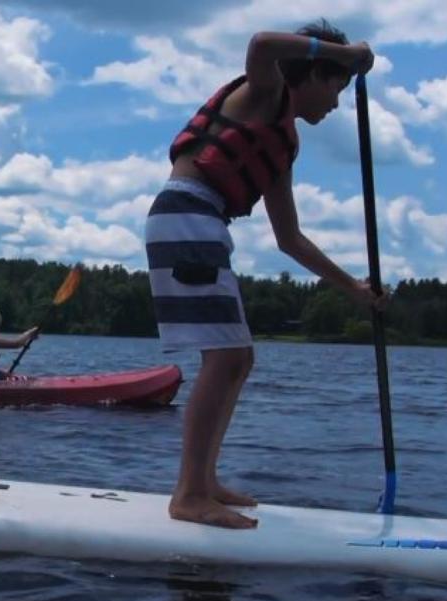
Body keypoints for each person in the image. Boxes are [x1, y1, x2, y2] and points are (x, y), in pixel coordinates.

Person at [145, 20, 388, 529]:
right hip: (186, 215)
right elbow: (261, 43)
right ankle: (188, 493)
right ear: (313, 73)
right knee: (227, 355)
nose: (338, 103)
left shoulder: (282, 142)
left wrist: (353, 289)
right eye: (335, 85)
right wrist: (349, 53)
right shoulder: (266, 89)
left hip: (203, 223)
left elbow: (290, 238)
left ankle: (205, 480)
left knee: (239, 358)